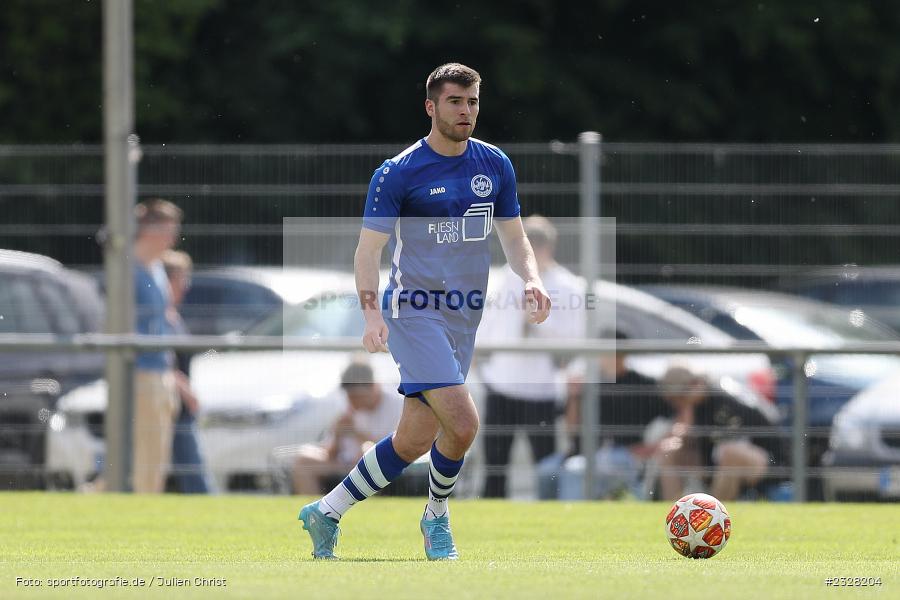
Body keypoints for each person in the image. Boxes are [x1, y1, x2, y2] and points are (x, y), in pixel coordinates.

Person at [299, 62, 551, 560]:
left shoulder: (494, 164)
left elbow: (514, 236)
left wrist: (533, 278)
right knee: (462, 424)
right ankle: (437, 518)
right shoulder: (399, 172)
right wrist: (373, 316)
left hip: (463, 317)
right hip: (414, 312)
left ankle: (325, 512)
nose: (466, 111)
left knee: (414, 439)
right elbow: (367, 252)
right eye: (455, 101)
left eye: (473, 101)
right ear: (431, 107)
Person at [477, 215, 585, 498]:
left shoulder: (568, 286)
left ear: (550, 248)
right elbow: (487, 327)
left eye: (538, 247)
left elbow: (573, 339)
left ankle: (548, 524)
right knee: (495, 466)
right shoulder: (502, 279)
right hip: (501, 384)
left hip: (541, 390)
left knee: (545, 466)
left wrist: (540, 320)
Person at [537, 331, 672, 500]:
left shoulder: (643, 384)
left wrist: (654, 447)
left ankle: (572, 522)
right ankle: (550, 521)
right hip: (581, 453)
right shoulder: (589, 382)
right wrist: (573, 397)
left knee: (575, 471)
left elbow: (675, 416)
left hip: (623, 454)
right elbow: (571, 430)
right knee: (545, 471)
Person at [654, 365, 778, 502]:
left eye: (679, 396)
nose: (676, 402)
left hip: (769, 463)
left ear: (696, 384)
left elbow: (728, 447)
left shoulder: (724, 401)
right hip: (725, 461)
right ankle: (675, 514)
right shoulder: (698, 403)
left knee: (729, 453)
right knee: (669, 451)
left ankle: (712, 515)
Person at [292, 360, 403, 495]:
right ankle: (317, 511)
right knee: (303, 460)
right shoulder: (347, 406)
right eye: (350, 396)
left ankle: (369, 509)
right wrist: (338, 435)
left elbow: (395, 448)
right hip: (345, 464)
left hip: (377, 465)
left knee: (367, 452)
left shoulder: (397, 403)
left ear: (373, 387)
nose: (352, 401)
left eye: (357, 396)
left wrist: (358, 435)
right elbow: (330, 453)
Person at [132, 199, 182, 493]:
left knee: (157, 460)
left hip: (161, 372)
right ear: (149, 230)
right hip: (141, 372)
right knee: (142, 459)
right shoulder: (130, 270)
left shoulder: (158, 269)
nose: (172, 239)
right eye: (167, 231)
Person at [162, 249, 214, 494]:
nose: (186, 286)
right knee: (195, 477)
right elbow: (162, 360)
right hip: (174, 405)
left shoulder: (172, 316)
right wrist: (185, 389)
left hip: (178, 407)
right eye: (181, 279)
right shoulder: (161, 317)